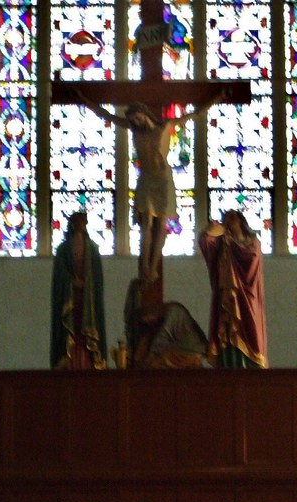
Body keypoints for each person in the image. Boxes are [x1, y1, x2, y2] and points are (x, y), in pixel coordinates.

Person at [78, 89, 226, 284]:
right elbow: (106, 115)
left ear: (145, 113)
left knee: (161, 225)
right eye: (132, 120)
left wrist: (217, 98)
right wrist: (84, 99)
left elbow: (195, 114)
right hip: (146, 178)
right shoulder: (133, 130)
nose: (136, 122)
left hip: (163, 179)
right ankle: (145, 267)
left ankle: (153, 266)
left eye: (137, 117)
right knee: (146, 223)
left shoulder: (165, 126)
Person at [199, 210, 267, 368]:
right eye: (226, 219)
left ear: (241, 221)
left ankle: (249, 366)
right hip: (227, 296)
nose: (230, 221)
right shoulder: (222, 241)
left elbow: (252, 260)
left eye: (233, 218)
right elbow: (205, 240)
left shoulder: (252, 242)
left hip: (246, 295)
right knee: (227, 330)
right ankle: (229, 364)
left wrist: (235, 248)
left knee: (249, 329)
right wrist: (216, 227)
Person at [50, 211, 107, 370]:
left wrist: (87, 285)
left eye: (83, 222)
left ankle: (90, 361)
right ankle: (68, 360)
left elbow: (97, 277)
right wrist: (71, 282)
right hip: (70, 297)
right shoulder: (63, 249)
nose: (81, 225)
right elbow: (60, 274)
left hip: (88, 299)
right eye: (77, 222)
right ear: (72, 224)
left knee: (87, 327)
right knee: (71, 328)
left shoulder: (93, 249)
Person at [123, 278, 208, 369]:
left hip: (190, 352)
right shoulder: (148, 323)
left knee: (156, 362)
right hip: (176, 354)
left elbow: (157, 347)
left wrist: (146, 358)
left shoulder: (174, 311)